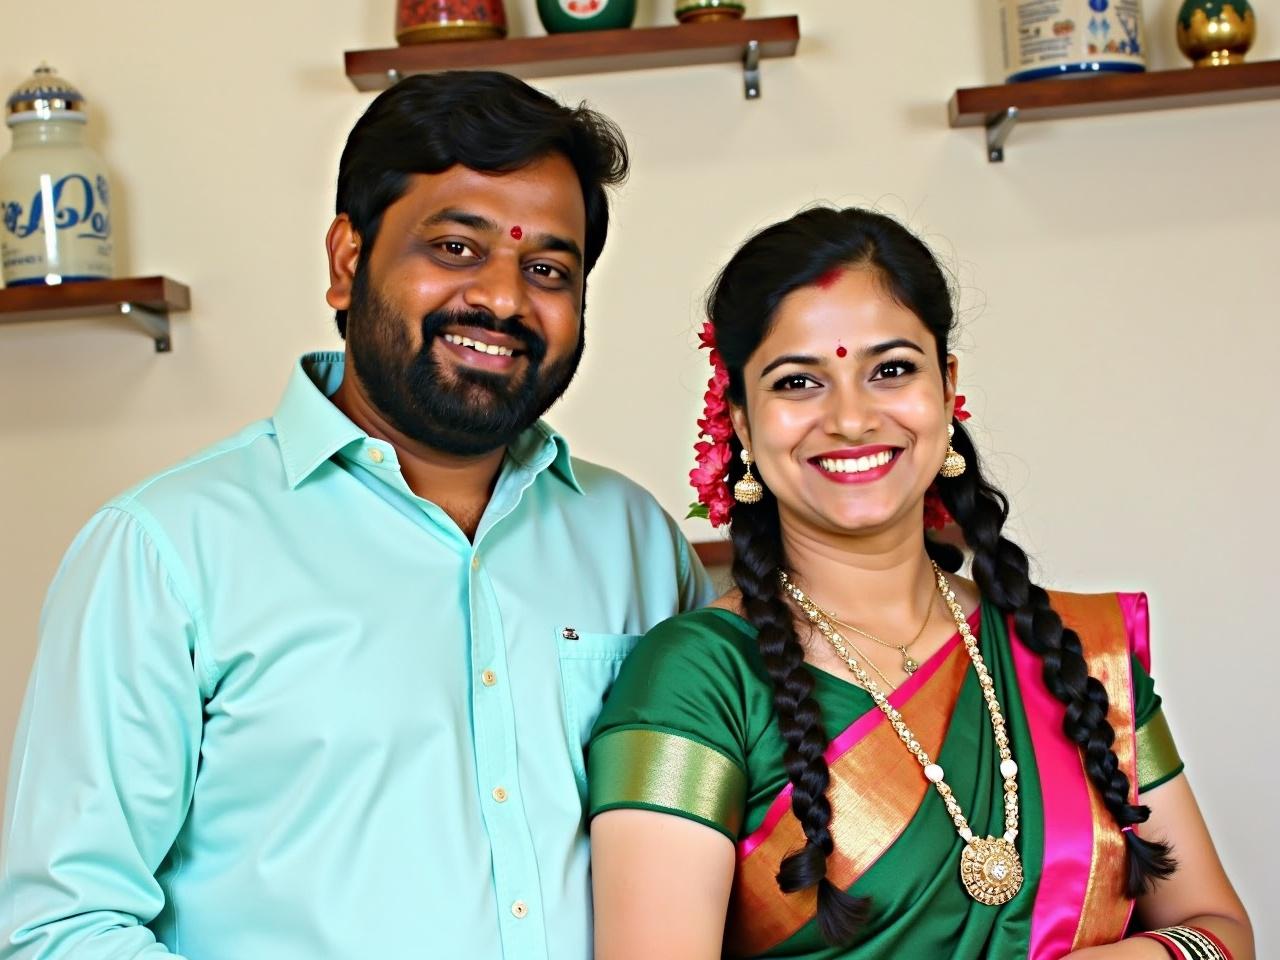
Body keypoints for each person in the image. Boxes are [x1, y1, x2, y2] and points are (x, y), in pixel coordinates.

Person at [0, 71, 714, 960]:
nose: (501, 298)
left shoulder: (637, 541)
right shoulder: (165, 550)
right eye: (456, 248)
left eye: (547, 269)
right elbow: (62, 929)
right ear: (347, 260)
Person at [587, 207, 1252, 959]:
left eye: (891, 369)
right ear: (740, 420)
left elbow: (1219, 932)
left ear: (947, 385)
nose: (850, 417)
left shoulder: (1078, 654)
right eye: (799, 381)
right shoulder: (696, 680)